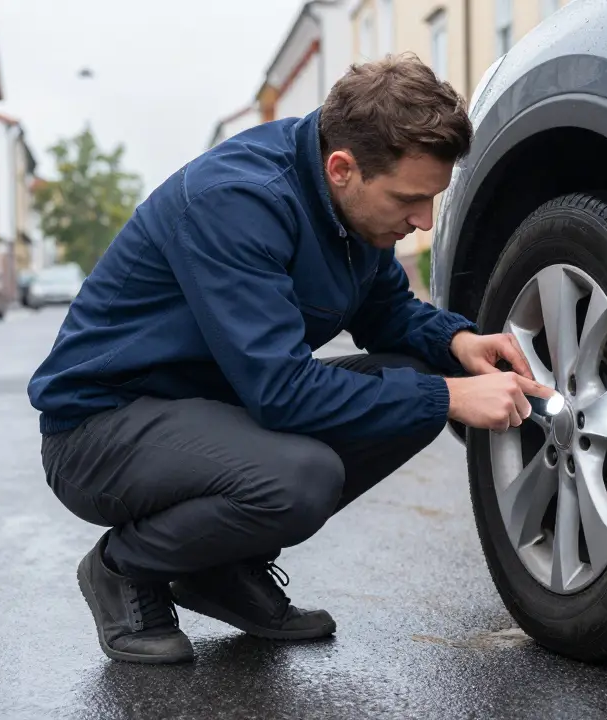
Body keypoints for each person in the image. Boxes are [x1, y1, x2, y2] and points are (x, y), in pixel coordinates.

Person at [27, 53, 553, 665]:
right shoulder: (236, 202)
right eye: (409, 199)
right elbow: (283, 392)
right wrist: (451, 395)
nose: (423, 221)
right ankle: (123, 569)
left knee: (408, 383)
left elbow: (385, 311)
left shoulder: (348, 206)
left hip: (214, 411)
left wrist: (456, 343)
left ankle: (217, 572)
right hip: (101, 431)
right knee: (301, 478)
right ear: (342, 168)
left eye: (433, 199)